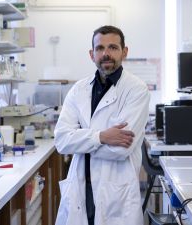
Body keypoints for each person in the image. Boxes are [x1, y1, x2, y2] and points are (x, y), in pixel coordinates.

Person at [54, 25, 150, 225]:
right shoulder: (78, 90)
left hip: (116, 192)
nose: (106, 54)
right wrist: (101, 137)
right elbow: (62, 141)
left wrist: (80, 143)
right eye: (100, 48)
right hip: (81, 188)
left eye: (113, 47)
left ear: (124, 52)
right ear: (92, 54)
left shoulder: (136, 90)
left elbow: (121, 150)